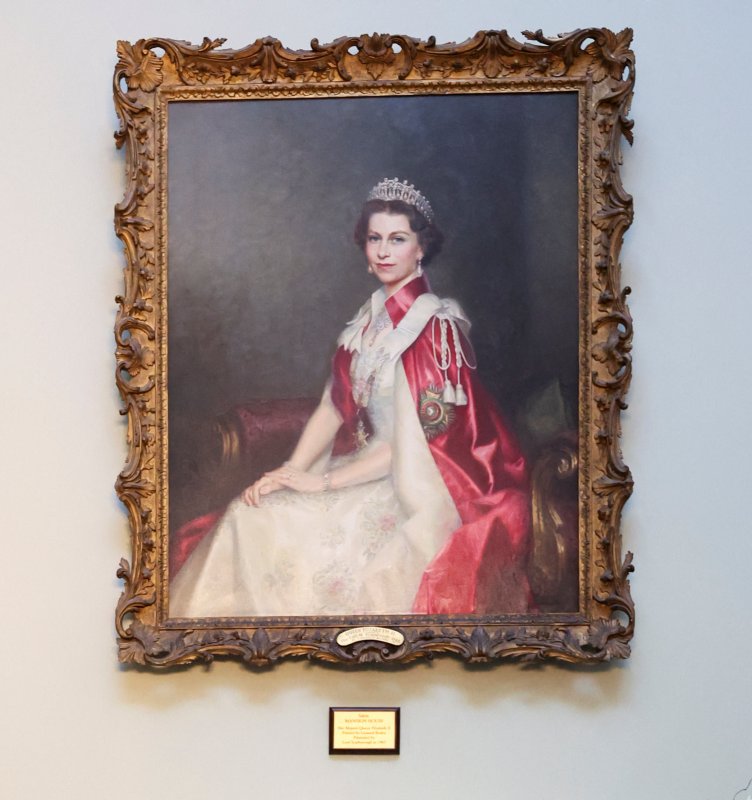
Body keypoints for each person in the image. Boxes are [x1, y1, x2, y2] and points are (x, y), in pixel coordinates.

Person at [169, 176, 535, 619]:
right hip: (361, 470)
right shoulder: (368, 319)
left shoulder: (431, 328)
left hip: (411, 486)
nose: (383, 251)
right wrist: (289, 472)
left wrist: (320, 483)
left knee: (298, 542)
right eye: (374, 239)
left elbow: (412, 447)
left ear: (421, 248)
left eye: (397, 239)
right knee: (250, 513)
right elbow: (332, 406)